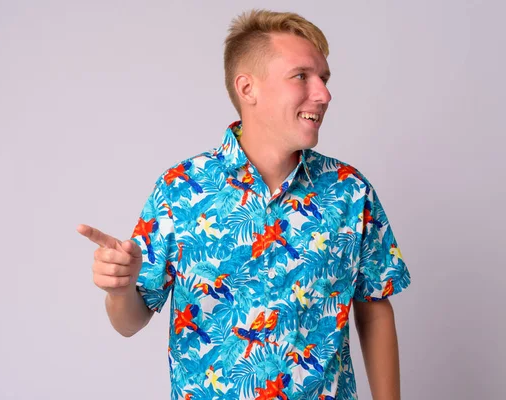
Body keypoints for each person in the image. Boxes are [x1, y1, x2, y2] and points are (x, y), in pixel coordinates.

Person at [78, 9, 411, 400]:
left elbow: (373, 309)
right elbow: (129, 322)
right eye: (302, 76)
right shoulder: (179, 190)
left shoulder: (351, 193)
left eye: (324, 78)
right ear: (247, 89)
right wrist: (120, 290)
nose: (323, 93)